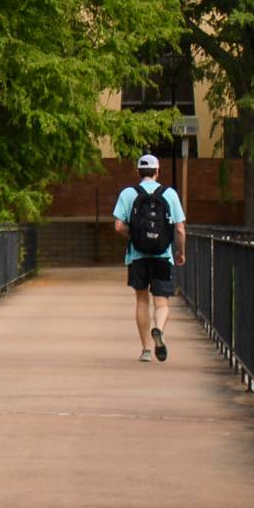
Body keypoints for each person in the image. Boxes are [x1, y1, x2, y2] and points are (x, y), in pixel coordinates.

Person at [110, 154, 186, 361]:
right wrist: (181, 252)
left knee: (142, 301)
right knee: (161, 303)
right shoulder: (169, 194)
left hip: (137, 256)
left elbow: (118, 226)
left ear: (138, 172)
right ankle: (159, 330)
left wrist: (134, 236)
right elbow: (179, 229)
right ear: (157, 171)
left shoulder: (128, 193)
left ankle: (145, 350)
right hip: (162, 255)